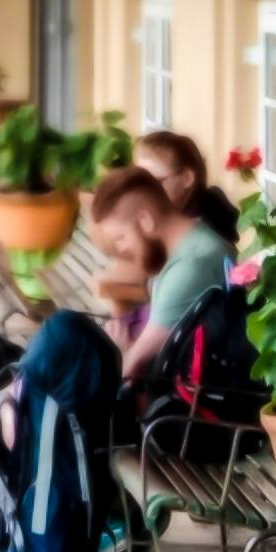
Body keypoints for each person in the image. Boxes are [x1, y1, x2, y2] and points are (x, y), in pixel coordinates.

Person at [85, 148, 235, 388]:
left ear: (145, 221)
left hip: (174, 400)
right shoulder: (193, 243)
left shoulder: (191, 266)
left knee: (63, 330)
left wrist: (123, 349)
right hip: (170, 387)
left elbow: (130, 368)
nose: (122, 249)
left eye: (121, 237)